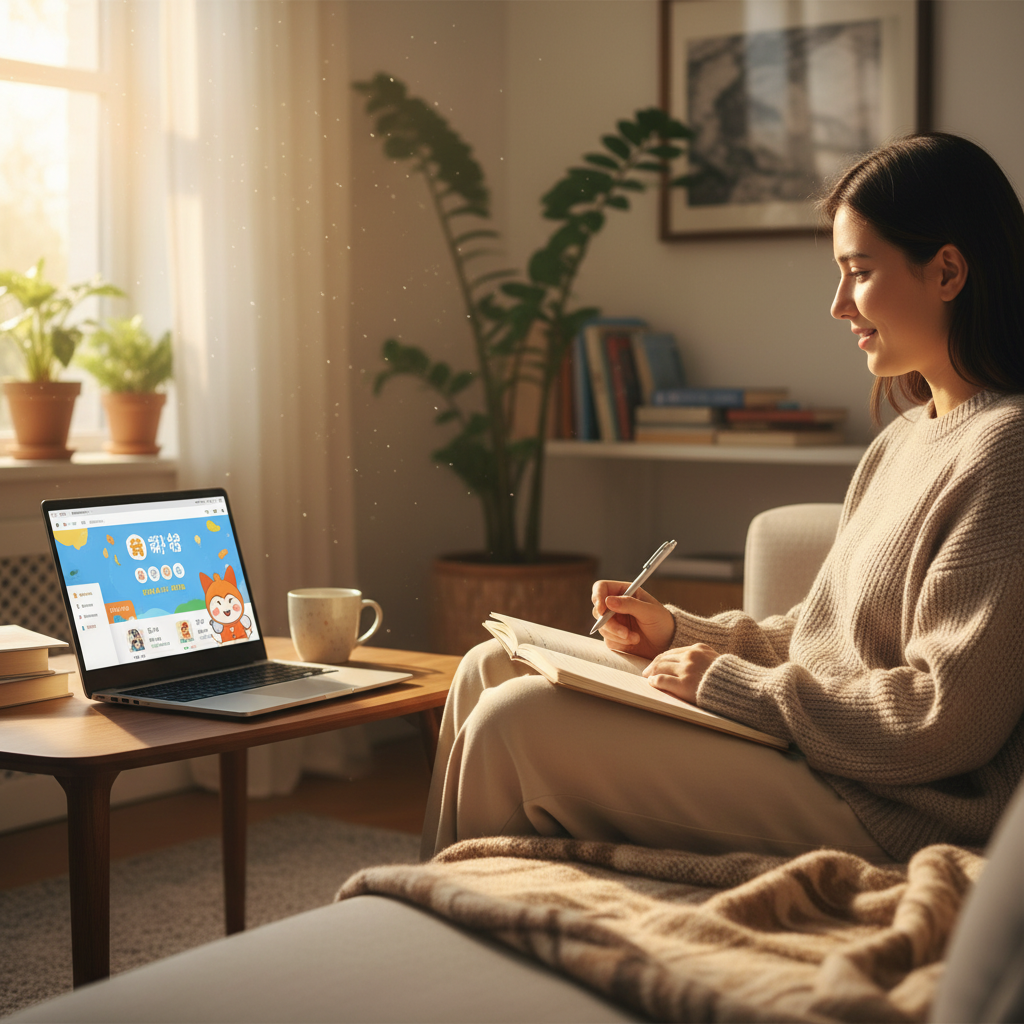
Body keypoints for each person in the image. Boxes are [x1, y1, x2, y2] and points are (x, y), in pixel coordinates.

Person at [421, 132, 1024, 865]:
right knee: (489, 666)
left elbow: (945, 720)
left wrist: (731, 685)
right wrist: (678, 635)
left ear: (949, 272)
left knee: (514, 723)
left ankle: (455, 928)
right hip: (820, 755)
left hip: (891, 807)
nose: (838, 305)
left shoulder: (1006, 449)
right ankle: (419, 918)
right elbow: (819, 643)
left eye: (859, 273)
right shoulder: (901, 442)